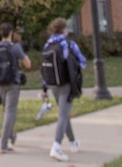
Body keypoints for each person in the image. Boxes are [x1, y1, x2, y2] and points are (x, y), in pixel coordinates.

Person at [0, 22, 31, 153]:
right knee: (10, 112)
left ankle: (12, 135)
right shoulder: (15, 48)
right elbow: (28, 64)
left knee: (7, 111)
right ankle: (4, 144)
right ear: (11, 33)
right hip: (13, 83)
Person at [43, 18, 87, 162]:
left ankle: (73, 142)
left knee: (65, 114)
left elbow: (44, 68)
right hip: (66, 84)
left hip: (53, 85)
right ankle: (56, 147)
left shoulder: (48, 45)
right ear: (63, 29)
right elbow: (83, 62)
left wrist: (44, 88)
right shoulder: (68, 44)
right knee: (63, 115)